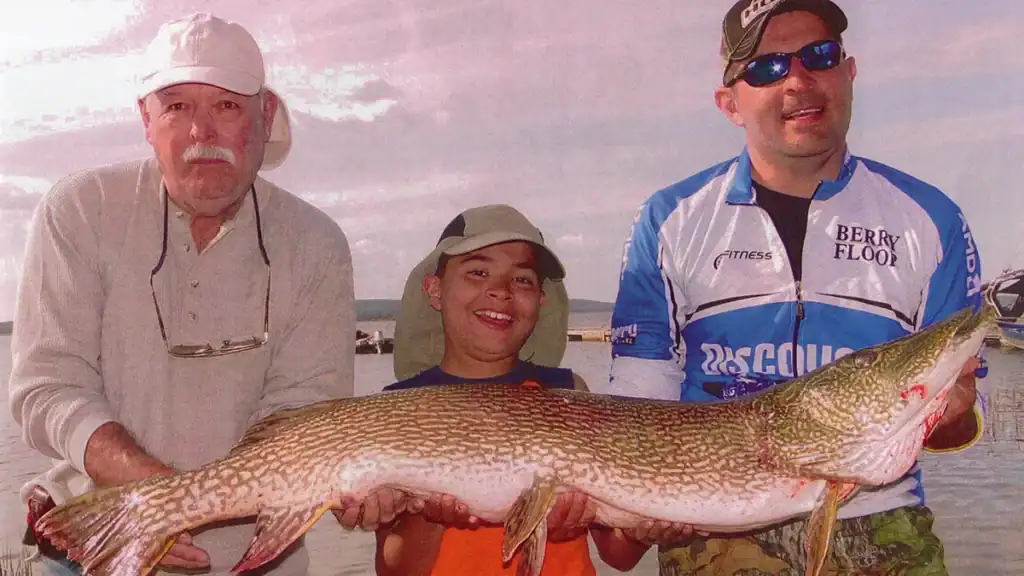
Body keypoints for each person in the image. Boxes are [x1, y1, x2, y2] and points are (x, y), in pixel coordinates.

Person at [605, 0, 986, 574]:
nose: (799, 80)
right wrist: (633, 505)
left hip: (882, 524)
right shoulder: (669, 219)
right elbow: (636, 400)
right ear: (729, 103)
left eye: (819, 55)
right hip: (712, 529)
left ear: (849, 72)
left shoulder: (931, 218)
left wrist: (955, 409)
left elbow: (964, 409)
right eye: (766, 68)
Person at [8, 12, 366, 576]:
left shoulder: (317, 245)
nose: (203, 132)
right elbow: (48, 386)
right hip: (93, 553)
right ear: (145, 120)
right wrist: (151, 495)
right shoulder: (78, 210)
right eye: (177, 106)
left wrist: (180, 505)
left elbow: (304, 414)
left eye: (227, 105)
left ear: (265, 114)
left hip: (256, 564)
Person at [373, 204, 694, 575]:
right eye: (478, 272)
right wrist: (428, 516)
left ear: (541, 300)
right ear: (434, 289)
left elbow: (618, 556)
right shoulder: (399, 407)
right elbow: (395, 570)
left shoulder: (570, 392)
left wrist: (650, 527)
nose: (500, 291)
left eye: (522, 280)